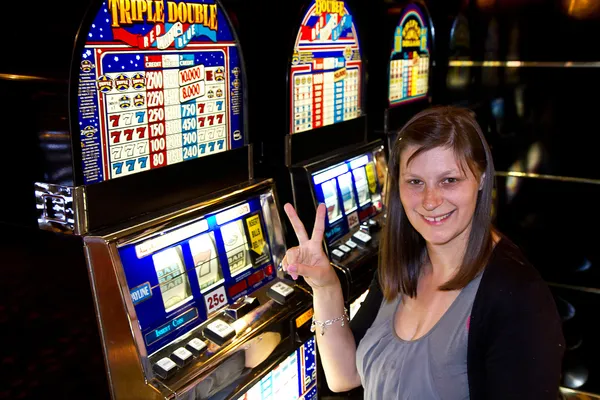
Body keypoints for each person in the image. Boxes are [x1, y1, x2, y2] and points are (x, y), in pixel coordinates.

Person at [281, 106, 565, 399]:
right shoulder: (402, 260)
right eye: (416, 182)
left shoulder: (517, 297)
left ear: (480, 178)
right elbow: (345, 375)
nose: (431, 200)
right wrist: (326, 287)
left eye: (449, 180)